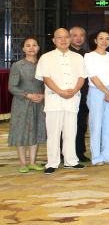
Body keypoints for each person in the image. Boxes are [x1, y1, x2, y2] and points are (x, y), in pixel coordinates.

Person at [35, 28, 87, 174]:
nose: (63, 40)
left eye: (66, 37)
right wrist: (60, 91)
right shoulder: (46, 57)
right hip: (54, 99)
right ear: (54, 40)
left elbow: (82, 77)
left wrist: (75, 90)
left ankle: (71, 161)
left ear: (69, 39)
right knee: (53, 132)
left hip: (72, 98)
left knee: (71, 131)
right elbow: (46, 77)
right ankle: (52, 163)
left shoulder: (78, 57)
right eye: (59, 37)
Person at [84, 30, 109, 166]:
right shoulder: (89, 56)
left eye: (107, 39)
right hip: (97, 91)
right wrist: (107, 92)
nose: (104, 41)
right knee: (96, 124)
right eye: (101, 38)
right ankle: (96, 157)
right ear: (95, 40)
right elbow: (93, 77)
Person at [8, 38, 46, 173]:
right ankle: (23, 163)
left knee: (35, 130)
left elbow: (48, 84)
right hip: (22, 102)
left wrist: (43, 96)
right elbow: (12, 87)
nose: (31, 48)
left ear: (38, 47)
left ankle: (32, 162)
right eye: (28, 45)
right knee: (21, 131)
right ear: (23, 49)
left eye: (34, 45)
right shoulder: (18, 65)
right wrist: (28, 95)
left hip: (38, 102)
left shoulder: (43, 65)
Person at [69, 26, 90, 162]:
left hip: (83, 97)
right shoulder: (64, 54)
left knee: (81, 126)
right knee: (66, 127)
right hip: (67, 96)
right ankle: (64, 153)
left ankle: (79, 152)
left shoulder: (88, 55)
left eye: (81, 35)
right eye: (75, 35)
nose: (78, 38)